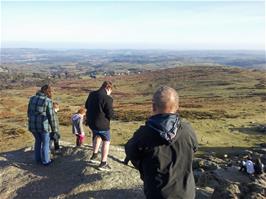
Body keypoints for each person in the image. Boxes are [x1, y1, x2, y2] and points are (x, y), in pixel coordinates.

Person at [125, 86, 198, 199]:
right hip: (186, 193)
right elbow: (194, 149)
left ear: (153, 106)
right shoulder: (188, 130)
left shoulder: (144, 133)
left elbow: (131, 152)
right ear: (177, 106)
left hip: (157, 194)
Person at [85, 81, 114, 171]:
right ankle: (103, 163)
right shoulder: (107, 98)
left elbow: (86, 106)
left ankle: (94, 155)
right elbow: (110, 114)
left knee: (97, 136)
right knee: (106, 140)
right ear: (108, 88)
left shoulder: (92, 94)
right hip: (102, 125)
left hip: (92, 123)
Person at [27, 84, 56, 166]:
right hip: (43, 126)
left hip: (32, 125)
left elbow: (28, 112)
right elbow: (51, 116)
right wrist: (54, 130)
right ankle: (46, 161)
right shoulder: (47, 101)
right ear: (48, 91)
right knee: (46, 143)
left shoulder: (32, 98)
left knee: (38, 141)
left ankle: (38, 159)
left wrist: (32, 120)